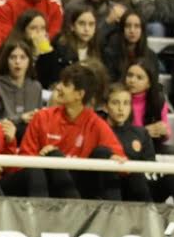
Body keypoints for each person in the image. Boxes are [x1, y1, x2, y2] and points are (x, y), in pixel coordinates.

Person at [13, 63, 129, 200]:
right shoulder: (42, 117)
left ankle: (114, 215)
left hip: (80, 186)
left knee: (103, 152)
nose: (59, 87)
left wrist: (114, 159)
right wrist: (42, 157)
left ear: (79, 94)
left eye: (66, 84)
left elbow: (123, 164)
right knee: (52, 156)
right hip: (45, 184)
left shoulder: (96, 124)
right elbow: (23, 162)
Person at [103, 80, 174, 203]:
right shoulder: (100, 131)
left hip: (142, 187)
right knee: (135, 173)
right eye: (115, 103)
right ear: (106, 107)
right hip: (116, 187)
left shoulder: (140, 133)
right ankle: (149, 215)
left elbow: (150, 165)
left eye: (126, 103)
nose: (121, 108)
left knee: (172, 174)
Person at [0, 39, 43, 133]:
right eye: (13, 57)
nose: (17, 62)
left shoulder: (36, 87)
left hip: (29, 136)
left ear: (29, 61)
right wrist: (20, 118)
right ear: (6, 60)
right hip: (2, 133)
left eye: (23, 57)